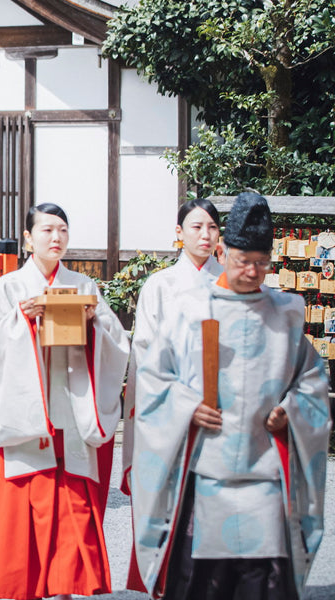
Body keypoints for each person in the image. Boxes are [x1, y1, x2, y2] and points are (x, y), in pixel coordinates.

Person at [131, 191, 330, 599]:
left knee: (265, 585)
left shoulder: (287, 312)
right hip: (207, 473)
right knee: (205, 584)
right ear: (225, 252)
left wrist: (291, 409)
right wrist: (186, 407)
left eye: (262, 263)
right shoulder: (188, 309)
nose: (253, 272)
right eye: (243, 261)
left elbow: (312, 379)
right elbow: (153, 376)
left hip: (266, 478)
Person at [0, 202, 129, 600]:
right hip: (28, 411)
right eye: (47, 230)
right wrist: (22, 317)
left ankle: (68, 584)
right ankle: (24, 585)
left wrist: (93, 323)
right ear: (28, 238)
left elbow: (116, 341)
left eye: (62, 231)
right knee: (27, 499)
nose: (56, 238)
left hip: (70, 406)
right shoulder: (8, 287)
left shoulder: (85, 286)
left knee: (71, 496)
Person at [120, 198, 224, 590]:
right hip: (170, 418)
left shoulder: (231, 282)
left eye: (212, 227)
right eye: (196, 226)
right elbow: (144, 355)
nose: (205, 234)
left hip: (221, 414)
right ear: (178, 234)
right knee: (171, 506)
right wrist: (183, 402)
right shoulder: (160, 286)